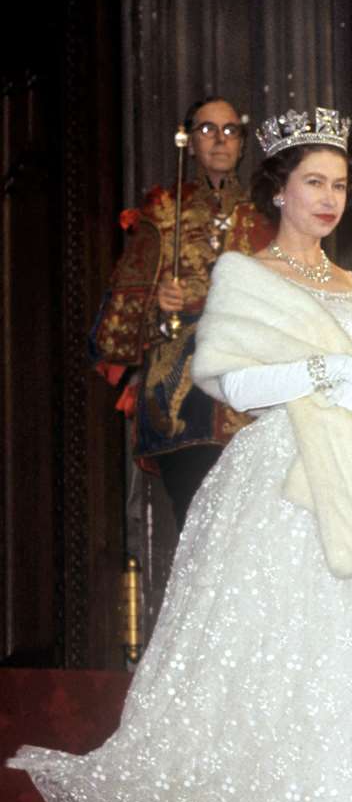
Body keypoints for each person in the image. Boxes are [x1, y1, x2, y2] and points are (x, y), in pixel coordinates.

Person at [9, 106, 352, 802]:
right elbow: (225, 375)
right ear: (280, 191)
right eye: (313, 182)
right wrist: (321, 375)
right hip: (287, 476)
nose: (328, 198)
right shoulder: (245, 274)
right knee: (298, 652)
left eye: (340, 185)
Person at [89, 96, 272, 529]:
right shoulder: (162, 213)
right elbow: (114, 327)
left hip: (249, 396)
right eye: (207, 130)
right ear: (190, 142)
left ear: (243, 144)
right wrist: (156, 306)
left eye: (230, 131)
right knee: (196, 526)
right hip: (182, 403)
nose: (219, 140)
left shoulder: (267, 215)